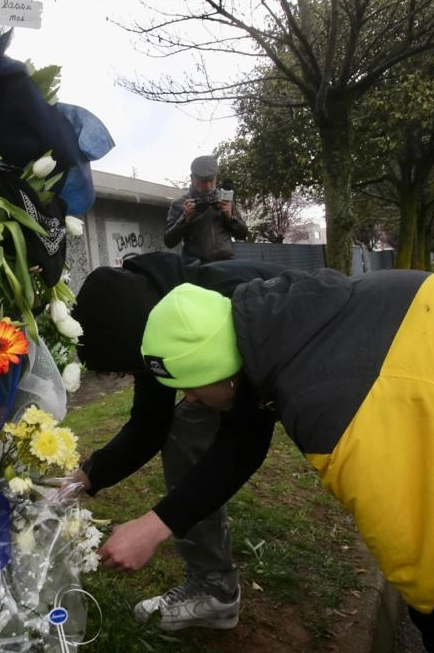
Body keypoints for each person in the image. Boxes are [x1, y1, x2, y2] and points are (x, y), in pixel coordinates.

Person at [97, 267, 434, 653]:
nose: (190, 400)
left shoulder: (337, 405)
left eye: (190, 388)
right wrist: (155, 527)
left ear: (219, 371)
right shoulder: (279, 323)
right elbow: (239, 443)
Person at [68, 251, 285, 631]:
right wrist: (87, 476)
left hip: (310, 357)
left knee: (190, 426)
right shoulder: (147, 313)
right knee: (184, 422)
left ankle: (214, 590)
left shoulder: (224, 310)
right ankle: (213, 584)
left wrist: (155, 526)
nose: (184, 393)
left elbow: (243, 444)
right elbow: (150, 423)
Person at [163, 155, 248, 263]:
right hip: (196, 268)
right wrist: (185, 218)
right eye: (203, 181)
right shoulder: (179, 204)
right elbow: (169, 241)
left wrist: (230, 218)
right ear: (192, 178)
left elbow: (243, 234)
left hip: (226, 264)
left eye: (211, 180)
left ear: (216, 177)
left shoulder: (225, 199)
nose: (208, 186)